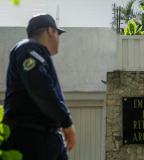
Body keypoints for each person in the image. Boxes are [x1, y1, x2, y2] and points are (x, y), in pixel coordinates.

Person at [1, 13, 76, 160]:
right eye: (57, 33)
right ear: (50, 31)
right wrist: (66, 122)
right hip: (30, 137)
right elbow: (41, 88)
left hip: (47, 138)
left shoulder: (37, 54)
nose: (58, 39)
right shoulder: (28, 48)